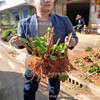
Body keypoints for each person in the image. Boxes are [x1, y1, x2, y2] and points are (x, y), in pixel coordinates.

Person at [10, 0, 78, 100]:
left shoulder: (64, 20)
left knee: (54, 88)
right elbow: (20, 42)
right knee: (29, 89)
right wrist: (16, 43)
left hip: (56, 62)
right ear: (33, 1)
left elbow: (74, 37)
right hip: (34, 64)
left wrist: (72, 42)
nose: (48, 0)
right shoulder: (24, 23)